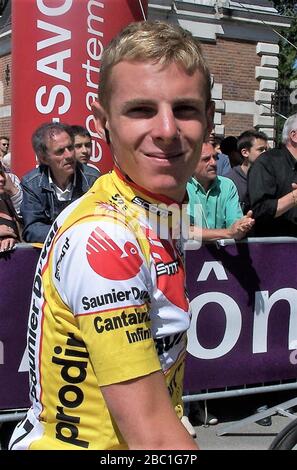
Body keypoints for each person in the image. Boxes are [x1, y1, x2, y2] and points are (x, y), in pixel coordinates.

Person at [9, 20, 214, 451]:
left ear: (208, 119)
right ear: (103, 121)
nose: (166, 130)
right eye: (140, 110)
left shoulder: (154, 204)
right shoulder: (105, 238)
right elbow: (153, 437)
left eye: (185, 109)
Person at [20, 122, 99, 243]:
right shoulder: (32, 183)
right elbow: (32, 229)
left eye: (71, 147)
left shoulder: (92, 179)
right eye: (60, 151)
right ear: (44, 158)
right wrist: (70, 233)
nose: (69, 155)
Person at [188, 143, 254, 242]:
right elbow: (180, 230)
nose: (214, 163)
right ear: (191, 162)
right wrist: (228, 233)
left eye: (215, 157)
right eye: (206, 159)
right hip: (188, 255)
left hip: (221, 255)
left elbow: (235, 227)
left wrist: (241, 227)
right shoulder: (179, 187)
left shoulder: (227, 186)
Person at [248, 113, 297, 237]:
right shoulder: (266, 163)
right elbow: (259, 211)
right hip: (275, 249)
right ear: (294, 136)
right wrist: (294, 197)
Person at [225, 130, 268, 213]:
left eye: (266, 149)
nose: (265, 153)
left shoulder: (269, 179)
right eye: (261, 149)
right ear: (245, 153)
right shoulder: (229, 181)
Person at [0, 161, 22, 252]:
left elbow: (30, 220)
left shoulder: (10, 185)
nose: (1, 178)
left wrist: (13, 191)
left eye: (1, 172)